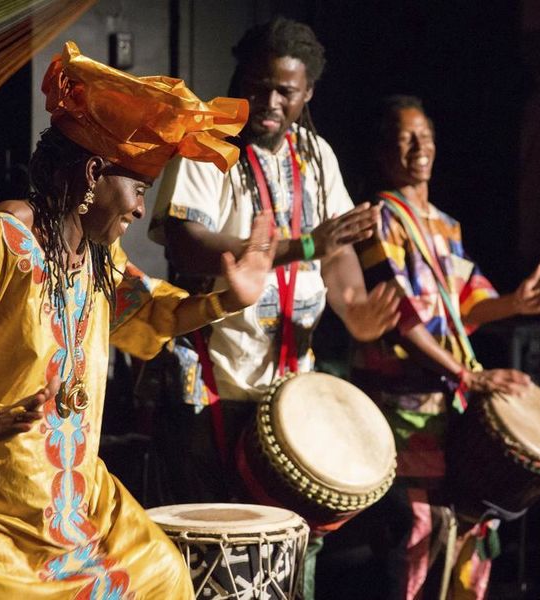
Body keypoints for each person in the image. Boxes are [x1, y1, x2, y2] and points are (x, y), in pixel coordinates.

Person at [0, 41, 278, 599]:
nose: (136, 209)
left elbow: (153, 310)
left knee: (164, 575)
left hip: (65, 493)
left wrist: (228, 299)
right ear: (93, 173)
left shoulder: (100, 261)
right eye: (137, 190)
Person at [146, 17, 399, 599]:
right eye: (258, 85)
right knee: (214, 548)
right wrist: (300, 246)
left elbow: (334, 256)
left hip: (289, 391)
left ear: (307, 92)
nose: (268, 101)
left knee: (289, 546)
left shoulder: (315, 154)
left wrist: (356, 308)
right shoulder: (211, 142)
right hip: (212, 383)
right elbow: (186, 240)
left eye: (285, 90)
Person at [350, 95, 540, 599]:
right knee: (420, 527)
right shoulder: (375, 222)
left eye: (425, 136)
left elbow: (466, 305)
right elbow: (400, 320)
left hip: (451, 401)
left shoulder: (446, 225)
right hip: (405, 404)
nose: (419, 147)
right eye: (406, 138)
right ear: (385, 152)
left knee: (474, 529)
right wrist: (468, 375)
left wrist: (513, 303)